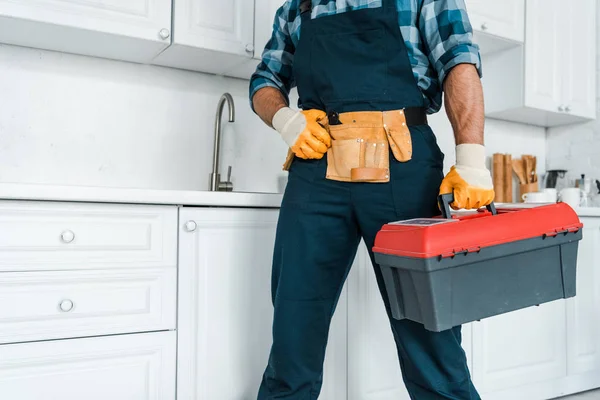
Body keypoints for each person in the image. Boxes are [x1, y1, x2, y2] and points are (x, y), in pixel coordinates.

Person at [249, 0, 494, 398]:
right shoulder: (296, 9)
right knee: (294, 323)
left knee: (429, 331)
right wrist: (286, 119)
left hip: (403, 162)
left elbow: (458, 63)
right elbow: (264, 81)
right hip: (317, 168)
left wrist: (471, 159)